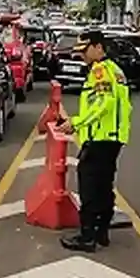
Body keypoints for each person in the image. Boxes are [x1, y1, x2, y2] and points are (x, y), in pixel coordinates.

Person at [57, 30, 132, 252]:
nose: (83, 56)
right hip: (113, 138)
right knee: (104, 186)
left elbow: (104, 104)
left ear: (99, 47)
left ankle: (87, 236)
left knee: (89, 186)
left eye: (85, 50)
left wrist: (76, 123)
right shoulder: (115, 71)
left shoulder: (100, 71)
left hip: (100, 138)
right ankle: (101, 232)